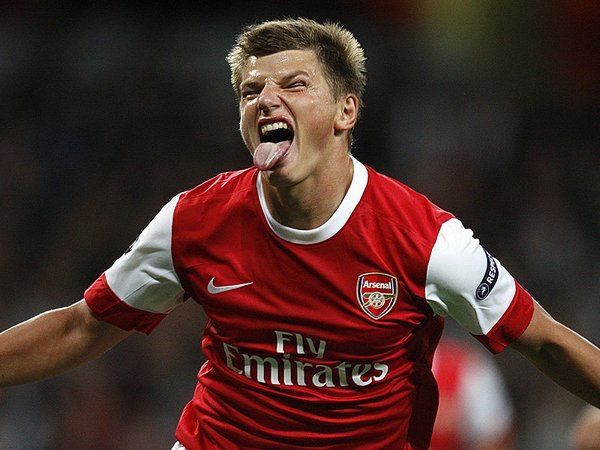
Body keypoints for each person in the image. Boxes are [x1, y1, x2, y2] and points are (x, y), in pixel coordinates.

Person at [0, 18, 599, 450]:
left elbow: (547, 343)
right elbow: (84, 325)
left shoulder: (426, 241)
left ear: (346, 111)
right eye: (250, 91)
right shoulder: (196, 220)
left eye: (293, 84)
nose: (266, 99)